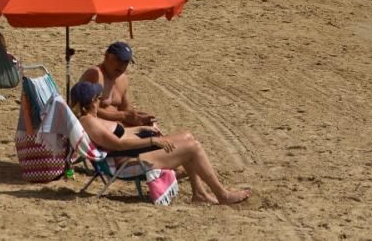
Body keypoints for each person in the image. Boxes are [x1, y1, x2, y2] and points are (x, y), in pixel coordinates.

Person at [70, 81, 250, 205]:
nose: (100, 99)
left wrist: (142, 129)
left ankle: (200, 194)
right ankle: (222, 195)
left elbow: (121, 134)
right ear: (92, 101)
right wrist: (152, 140)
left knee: (188, 136)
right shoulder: (88, 122)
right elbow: (117, 145)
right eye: (97, 97)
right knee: (192, 148)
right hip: (125, 163)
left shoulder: (92, 118)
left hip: (130, 156)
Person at [79, 42, 156, 126]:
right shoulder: (95, 75)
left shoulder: (123, 79)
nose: (122, 65)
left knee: (152, 130)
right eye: (118, 60)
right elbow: (87, 109)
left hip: (116, 127)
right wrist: (123, 116)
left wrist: (139, 117)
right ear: (106, 56)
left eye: (126, 62)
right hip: (95, 128)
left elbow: (125, 108)